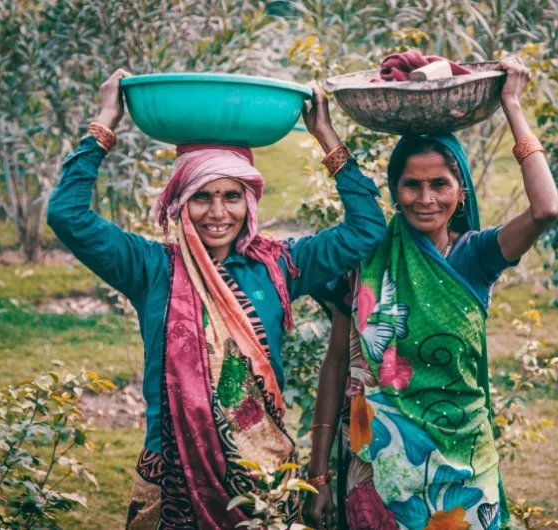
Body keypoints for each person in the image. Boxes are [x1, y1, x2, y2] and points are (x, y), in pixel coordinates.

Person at [47, 70, 387, 530]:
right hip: (172, 480)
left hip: (261, 478)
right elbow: (66, 214)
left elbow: (366, 228)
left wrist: (326, 136)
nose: (218, 212)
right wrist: (105, 122)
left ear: (249, 202)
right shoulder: (150, 268)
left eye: (231, 196)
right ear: (179, 202)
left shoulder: (280, 265)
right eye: (201, 196)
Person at [304, 56, 558, 530]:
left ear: (461, 191)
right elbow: (337, 360)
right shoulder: (368, 256)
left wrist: (512, 105)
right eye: (411, 186)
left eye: (440, 184)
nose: (426, 199)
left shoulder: (476, 255)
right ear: (395, 191)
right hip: (378, 466)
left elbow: (546, 209)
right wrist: (318, 473)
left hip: (464, 463)